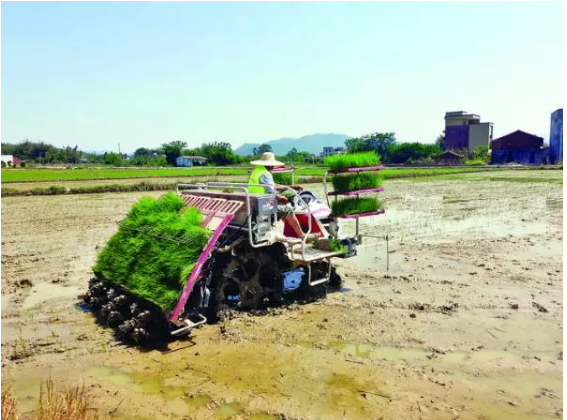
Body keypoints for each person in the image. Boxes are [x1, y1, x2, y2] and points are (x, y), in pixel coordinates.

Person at [248, 152, 308, 240]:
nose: (273, 167)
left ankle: (287, 233)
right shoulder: (265, 174)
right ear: (269, 164)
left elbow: (272, 186)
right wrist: (280, 197)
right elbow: (270, 190)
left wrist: (291, 187)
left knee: (283, 210)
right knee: (288, 210)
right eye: (272, 165)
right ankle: (302, 235)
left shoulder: (257, 171)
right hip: (263, 206)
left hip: (253, 203)